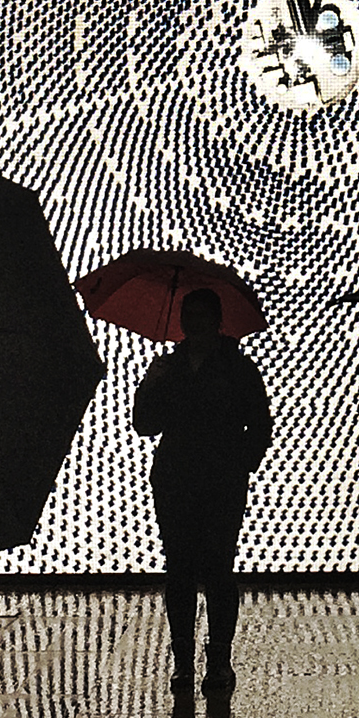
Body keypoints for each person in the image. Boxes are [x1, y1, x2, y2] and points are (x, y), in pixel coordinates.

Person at [132, 287, 272, 695]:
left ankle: (219, 660)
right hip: (176, 478)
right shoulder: (168, 369)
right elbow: (145, 425)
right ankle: (184, 661)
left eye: (200, 315)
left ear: (215, 320)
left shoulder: (238, 369)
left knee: (217, 568)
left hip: (221, 480)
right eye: (187, 315)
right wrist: (150, 387)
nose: (193, 323)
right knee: (179, 568)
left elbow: (260, 424)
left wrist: (240, 463)